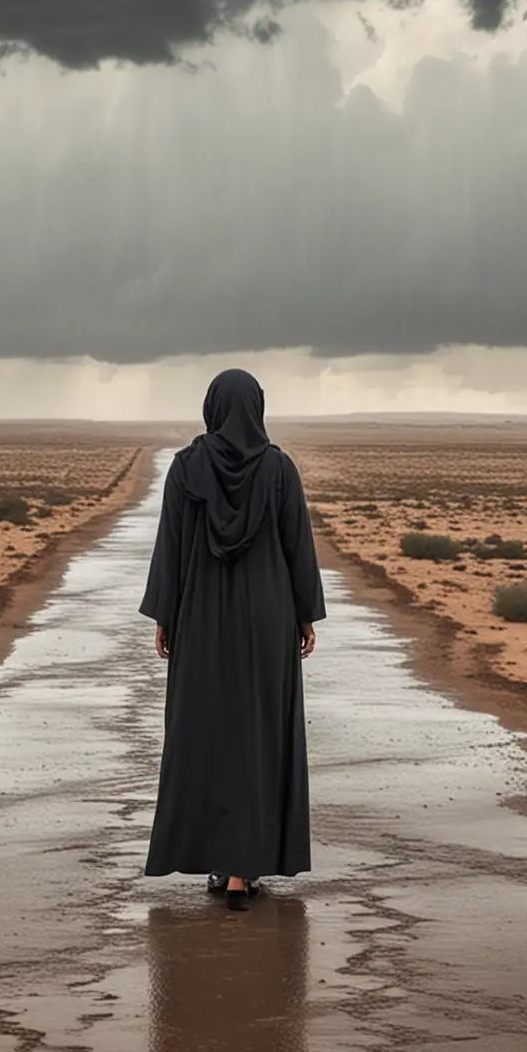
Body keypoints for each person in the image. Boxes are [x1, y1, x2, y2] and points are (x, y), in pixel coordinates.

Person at [140, 369, 327, 910]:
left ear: (214, 408)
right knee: (259, 736)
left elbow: (170, 550)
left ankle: (223, 862)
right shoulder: (279, 470)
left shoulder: (185, 469)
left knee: (208, 737)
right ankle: (246, 869)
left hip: (202, 621)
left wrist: (165, 617)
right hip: (267, 621)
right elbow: (298, 546)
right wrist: (304, 616)